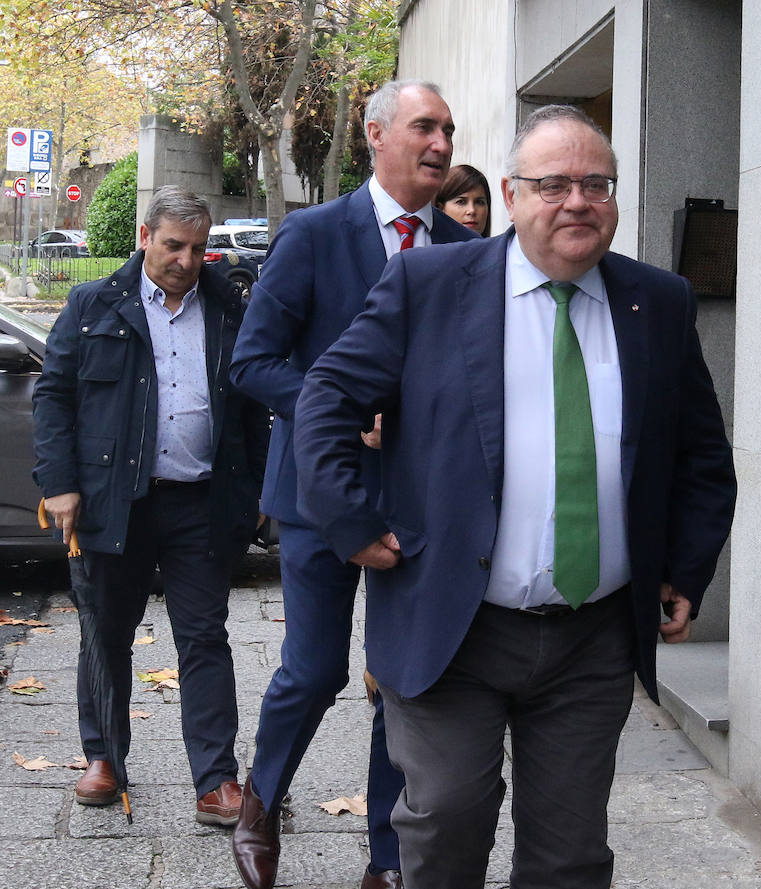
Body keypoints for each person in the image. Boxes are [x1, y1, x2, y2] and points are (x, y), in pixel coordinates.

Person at [289, 104, 736, 888]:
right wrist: (349, 520)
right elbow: (327, 396)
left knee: (571, 855)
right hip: (449, 621)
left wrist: (685, 569)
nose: (577, 201)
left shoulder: (656, 302)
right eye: (554, 183)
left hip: (591, 636)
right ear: (511, 192)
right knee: (448, 824)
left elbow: (701, 453)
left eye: (597, 183)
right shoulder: (430, 282)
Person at [229, 79, 477, 889]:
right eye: (423, 127)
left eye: (447, 129)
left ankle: (388, 854)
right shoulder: (313, 234)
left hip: (418, 500)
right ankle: (261, 803)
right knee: (316, 668)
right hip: (315, 496)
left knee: (404, 680)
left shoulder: (465, 250)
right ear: (375, 134)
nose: (440, 143)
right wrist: (335, 405)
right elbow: (252, 361)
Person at [32, 184, 269, 825]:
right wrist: (59, 483)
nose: (187, 261)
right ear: (144, 237)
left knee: (204, 640)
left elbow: (250, 405)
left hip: (202, 502)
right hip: (116, 504)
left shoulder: (227, 304)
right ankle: (104, 758)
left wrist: (258, 490)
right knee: (105, 634)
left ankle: (215, 780)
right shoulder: (94, 302)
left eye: (197, 248)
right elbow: (53, 397)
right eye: (173, 245)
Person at [435, 163, 492, 236]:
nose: (472, 210)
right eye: (461, 202)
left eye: (479, 202)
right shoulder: (422, 244)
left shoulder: (502, 247)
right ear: (440, 208)